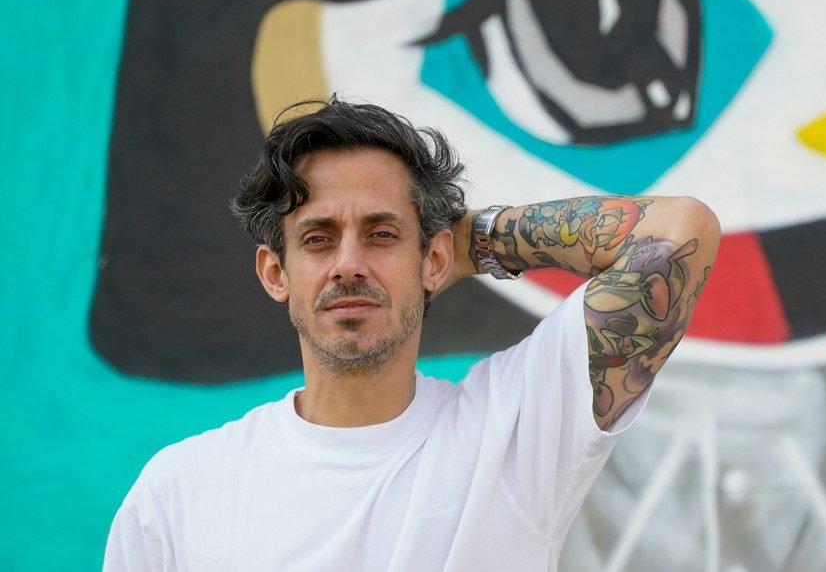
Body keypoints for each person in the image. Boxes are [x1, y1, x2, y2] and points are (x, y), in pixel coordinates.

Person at [102, 98, 720, 571]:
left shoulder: (513, 432)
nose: (348, 264)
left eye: (382, 234)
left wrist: (473, 243)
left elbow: (679, 232)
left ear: (433, 260)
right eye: (317, 239)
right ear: (275, 273)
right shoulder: (179, 492)